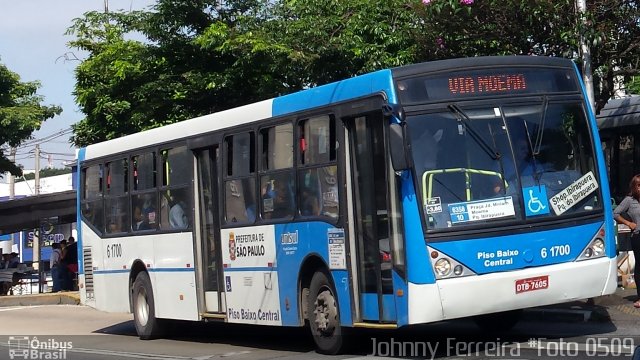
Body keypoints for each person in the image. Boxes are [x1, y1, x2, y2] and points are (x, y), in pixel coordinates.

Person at [614, 174, 640, 308]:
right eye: (639, 186)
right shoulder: (629, 200)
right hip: (638, 236)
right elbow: (615, 213)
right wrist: (629, 223)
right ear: (634, 187)